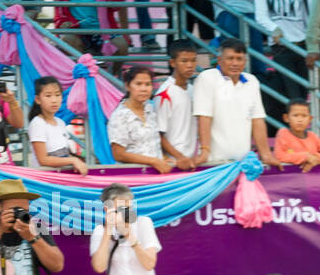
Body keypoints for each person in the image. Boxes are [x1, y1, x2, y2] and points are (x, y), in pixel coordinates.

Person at [193, 38, 279, 165]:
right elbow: (204, 117)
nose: (235, 63)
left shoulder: (252, 81)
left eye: (239, 59)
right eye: (230, 58)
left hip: (243, 162)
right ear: (219, 60)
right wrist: (204, 151)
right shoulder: (207, 78)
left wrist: (266, 154)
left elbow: (257, 120)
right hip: (214, 161)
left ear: (245, 61)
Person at [254, 0, 310, 105]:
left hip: (302, 47)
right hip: (281, 48)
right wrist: (274, 28)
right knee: (293, 95)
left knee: (303, 93)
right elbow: (261, 16)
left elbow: (310, 17)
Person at [109, 65, 173, 174]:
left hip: (156, 174)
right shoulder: (120, 115)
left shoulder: (150, 109)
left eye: (148, 84)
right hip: (133, 176)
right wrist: (153, 161)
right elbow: (118, 154)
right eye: (138, 84)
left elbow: (153, 142)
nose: (144, 89)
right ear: (128, 86)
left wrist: (163, 158)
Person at [155, 40, 200, 169]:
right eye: (184, 61)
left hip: (191, 160)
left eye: (193, 60)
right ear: (173, 63)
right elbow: (158, 134)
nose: (190, 65)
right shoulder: (164, 94)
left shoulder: (193, 90)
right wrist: (179, 157)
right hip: (175, 163)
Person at [28, 76, 87, 173]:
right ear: (38, 99)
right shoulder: (37, 124)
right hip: (46, 179)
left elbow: (64, 153)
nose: (54, 100)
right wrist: (73, 160)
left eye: (57, 95)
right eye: (48, 96)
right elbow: (43, 160)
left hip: (62, 176)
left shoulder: (60, 123)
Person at [275, 99, 320, 168]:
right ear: (286, 118)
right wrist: (305, 157)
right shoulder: (283, 133)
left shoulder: (312, 136)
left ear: (310, 119)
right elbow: (279, 156)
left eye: (304, 116)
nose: (300, 120)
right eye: (295, 115)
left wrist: (315, 158)